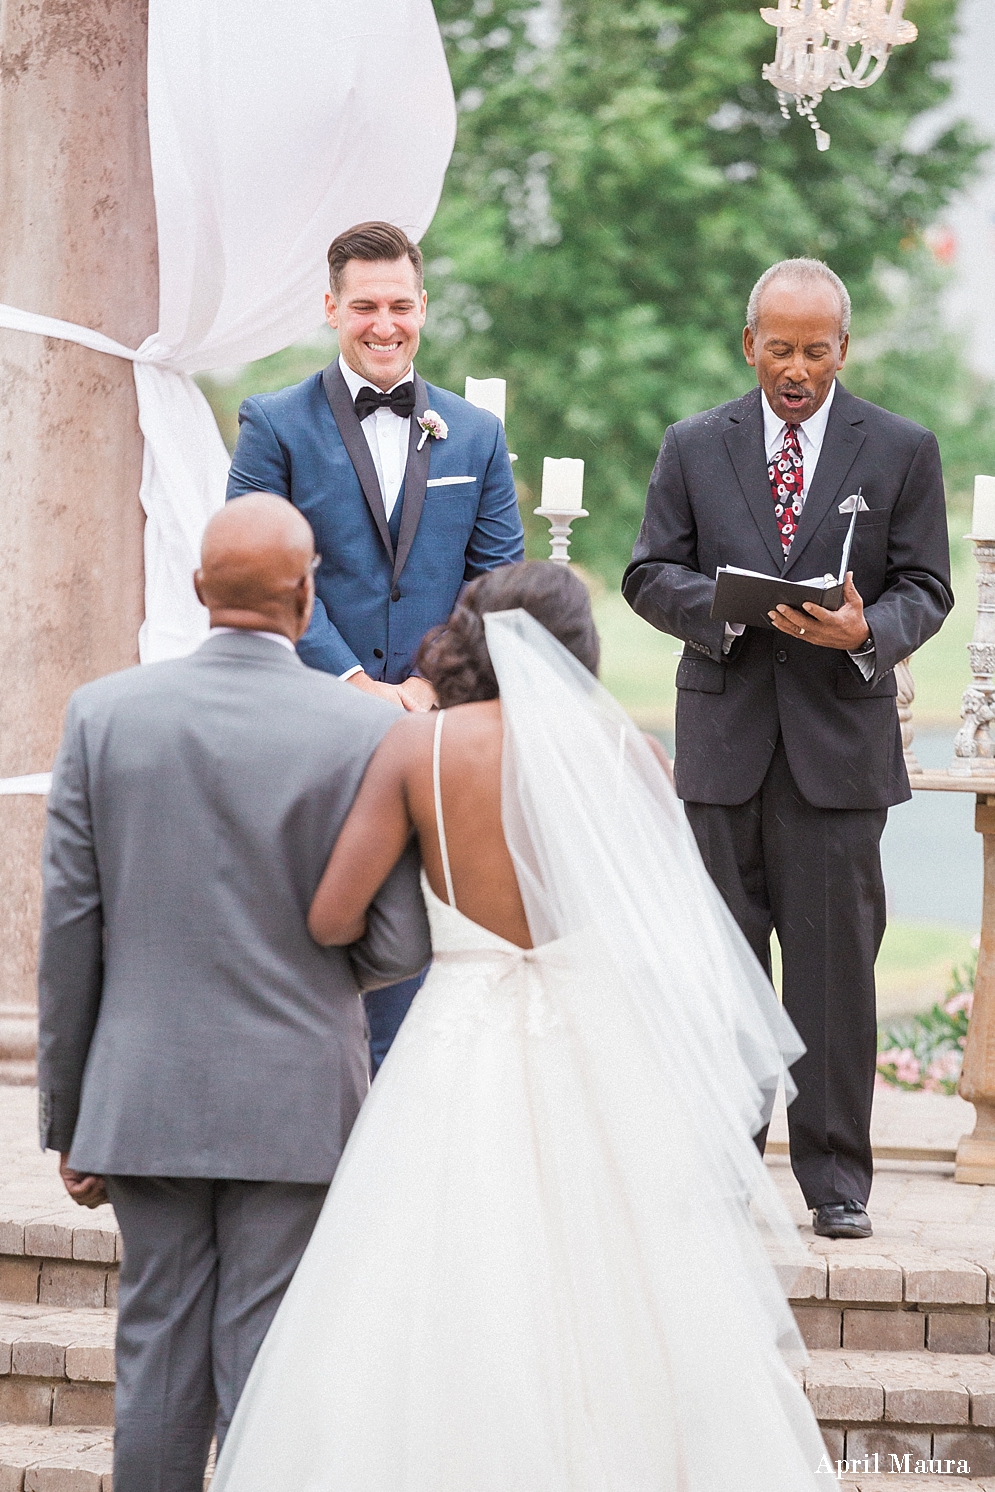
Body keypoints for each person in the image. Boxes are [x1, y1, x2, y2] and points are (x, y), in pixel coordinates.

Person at [214, 560, 830, 1492]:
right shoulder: (627, 753)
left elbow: (333, 918)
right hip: (601, 1047)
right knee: (629, 1291)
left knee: (434, 1276)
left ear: (468, 636)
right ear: (573, 645)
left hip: (457, 1038)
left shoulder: (419, 749)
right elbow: (670, 926)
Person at [36, 493, 431, 1492]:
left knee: (157, 1349)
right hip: (298, 1095)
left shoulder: (103, 713)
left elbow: (71, 932)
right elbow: (393, 937)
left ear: (200, 589)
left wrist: (68, 1115)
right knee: (269, 1353)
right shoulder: (363, 732)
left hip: (145, 1094)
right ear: (305, 598)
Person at [622, 258, 953, 1240]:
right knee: (718, 967)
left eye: (814, 349)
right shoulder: (692, 444)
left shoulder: (899, 448)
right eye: (779, 348)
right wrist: (724, 611)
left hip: (837, 760)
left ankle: (834, 1181)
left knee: (834, 974)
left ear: (841, 349)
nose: (795, 367)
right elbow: (647, 573)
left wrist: (863, 633)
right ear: (747, 344)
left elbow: (924, 588)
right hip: (722, 752)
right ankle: (721, 1164)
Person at [227, 219, 525, 1072]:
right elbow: (259, 566)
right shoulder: (272, 424)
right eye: (364, 306)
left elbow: (493, 576)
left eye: (400, 305)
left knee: (420, 929)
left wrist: (432, 680)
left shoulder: (475, 433)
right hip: (311, 723)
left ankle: (400, 1102)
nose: (383, 323)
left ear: (423, 307)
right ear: (331, 308)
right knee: (310, 917)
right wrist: (353, 679)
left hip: (436, 733)